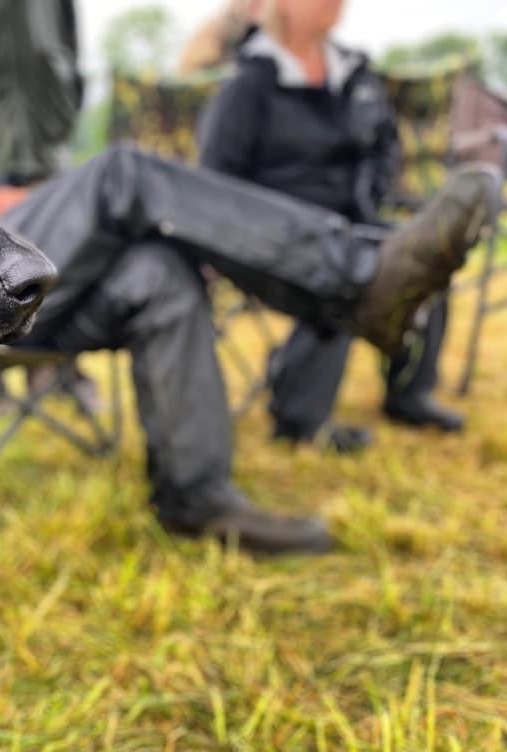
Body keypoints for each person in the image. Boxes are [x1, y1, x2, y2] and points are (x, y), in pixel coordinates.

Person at [0, 9, 499, 555]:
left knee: (159, 268)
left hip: (29, 296)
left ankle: (198, 495)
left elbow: (5, 196)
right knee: (124, 172)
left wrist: (12, 193)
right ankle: (358, 277)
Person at [199, 0, 465, 453]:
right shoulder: (248, 85)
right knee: (342, 275)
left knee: (426, 256)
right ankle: (299, 419)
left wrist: (376, 191)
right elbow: (216, 180)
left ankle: (410, 393)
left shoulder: (355, 73)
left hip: (355, 220)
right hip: (277, 237)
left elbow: (386, 145)